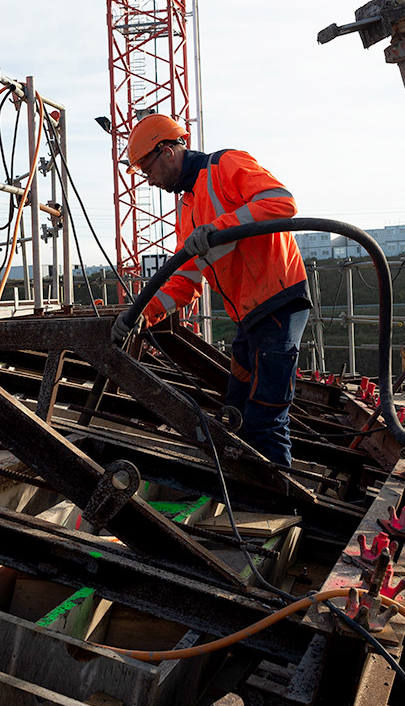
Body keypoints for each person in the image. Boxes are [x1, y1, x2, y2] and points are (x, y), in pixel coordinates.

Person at [114, 114, 310, 466]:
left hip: (277, 304)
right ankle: (242, 484)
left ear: (168, 152)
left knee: (265, 417)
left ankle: (278, 506)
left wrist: (220, 228)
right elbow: (184, 281)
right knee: (235, 409)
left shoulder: (226, 164)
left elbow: (282, 203)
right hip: (249, 317)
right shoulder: (187, 208)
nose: (149, 180)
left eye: (148, 169)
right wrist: (141, 313)